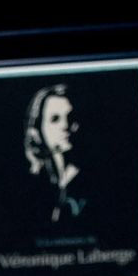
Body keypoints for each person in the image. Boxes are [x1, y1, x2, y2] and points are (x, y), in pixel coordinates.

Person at [23, 84, 83, 223]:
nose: (66, 125)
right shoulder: (33, 180)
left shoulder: (92, 175)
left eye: (71, 117)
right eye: (55, 119)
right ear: (37, 129)